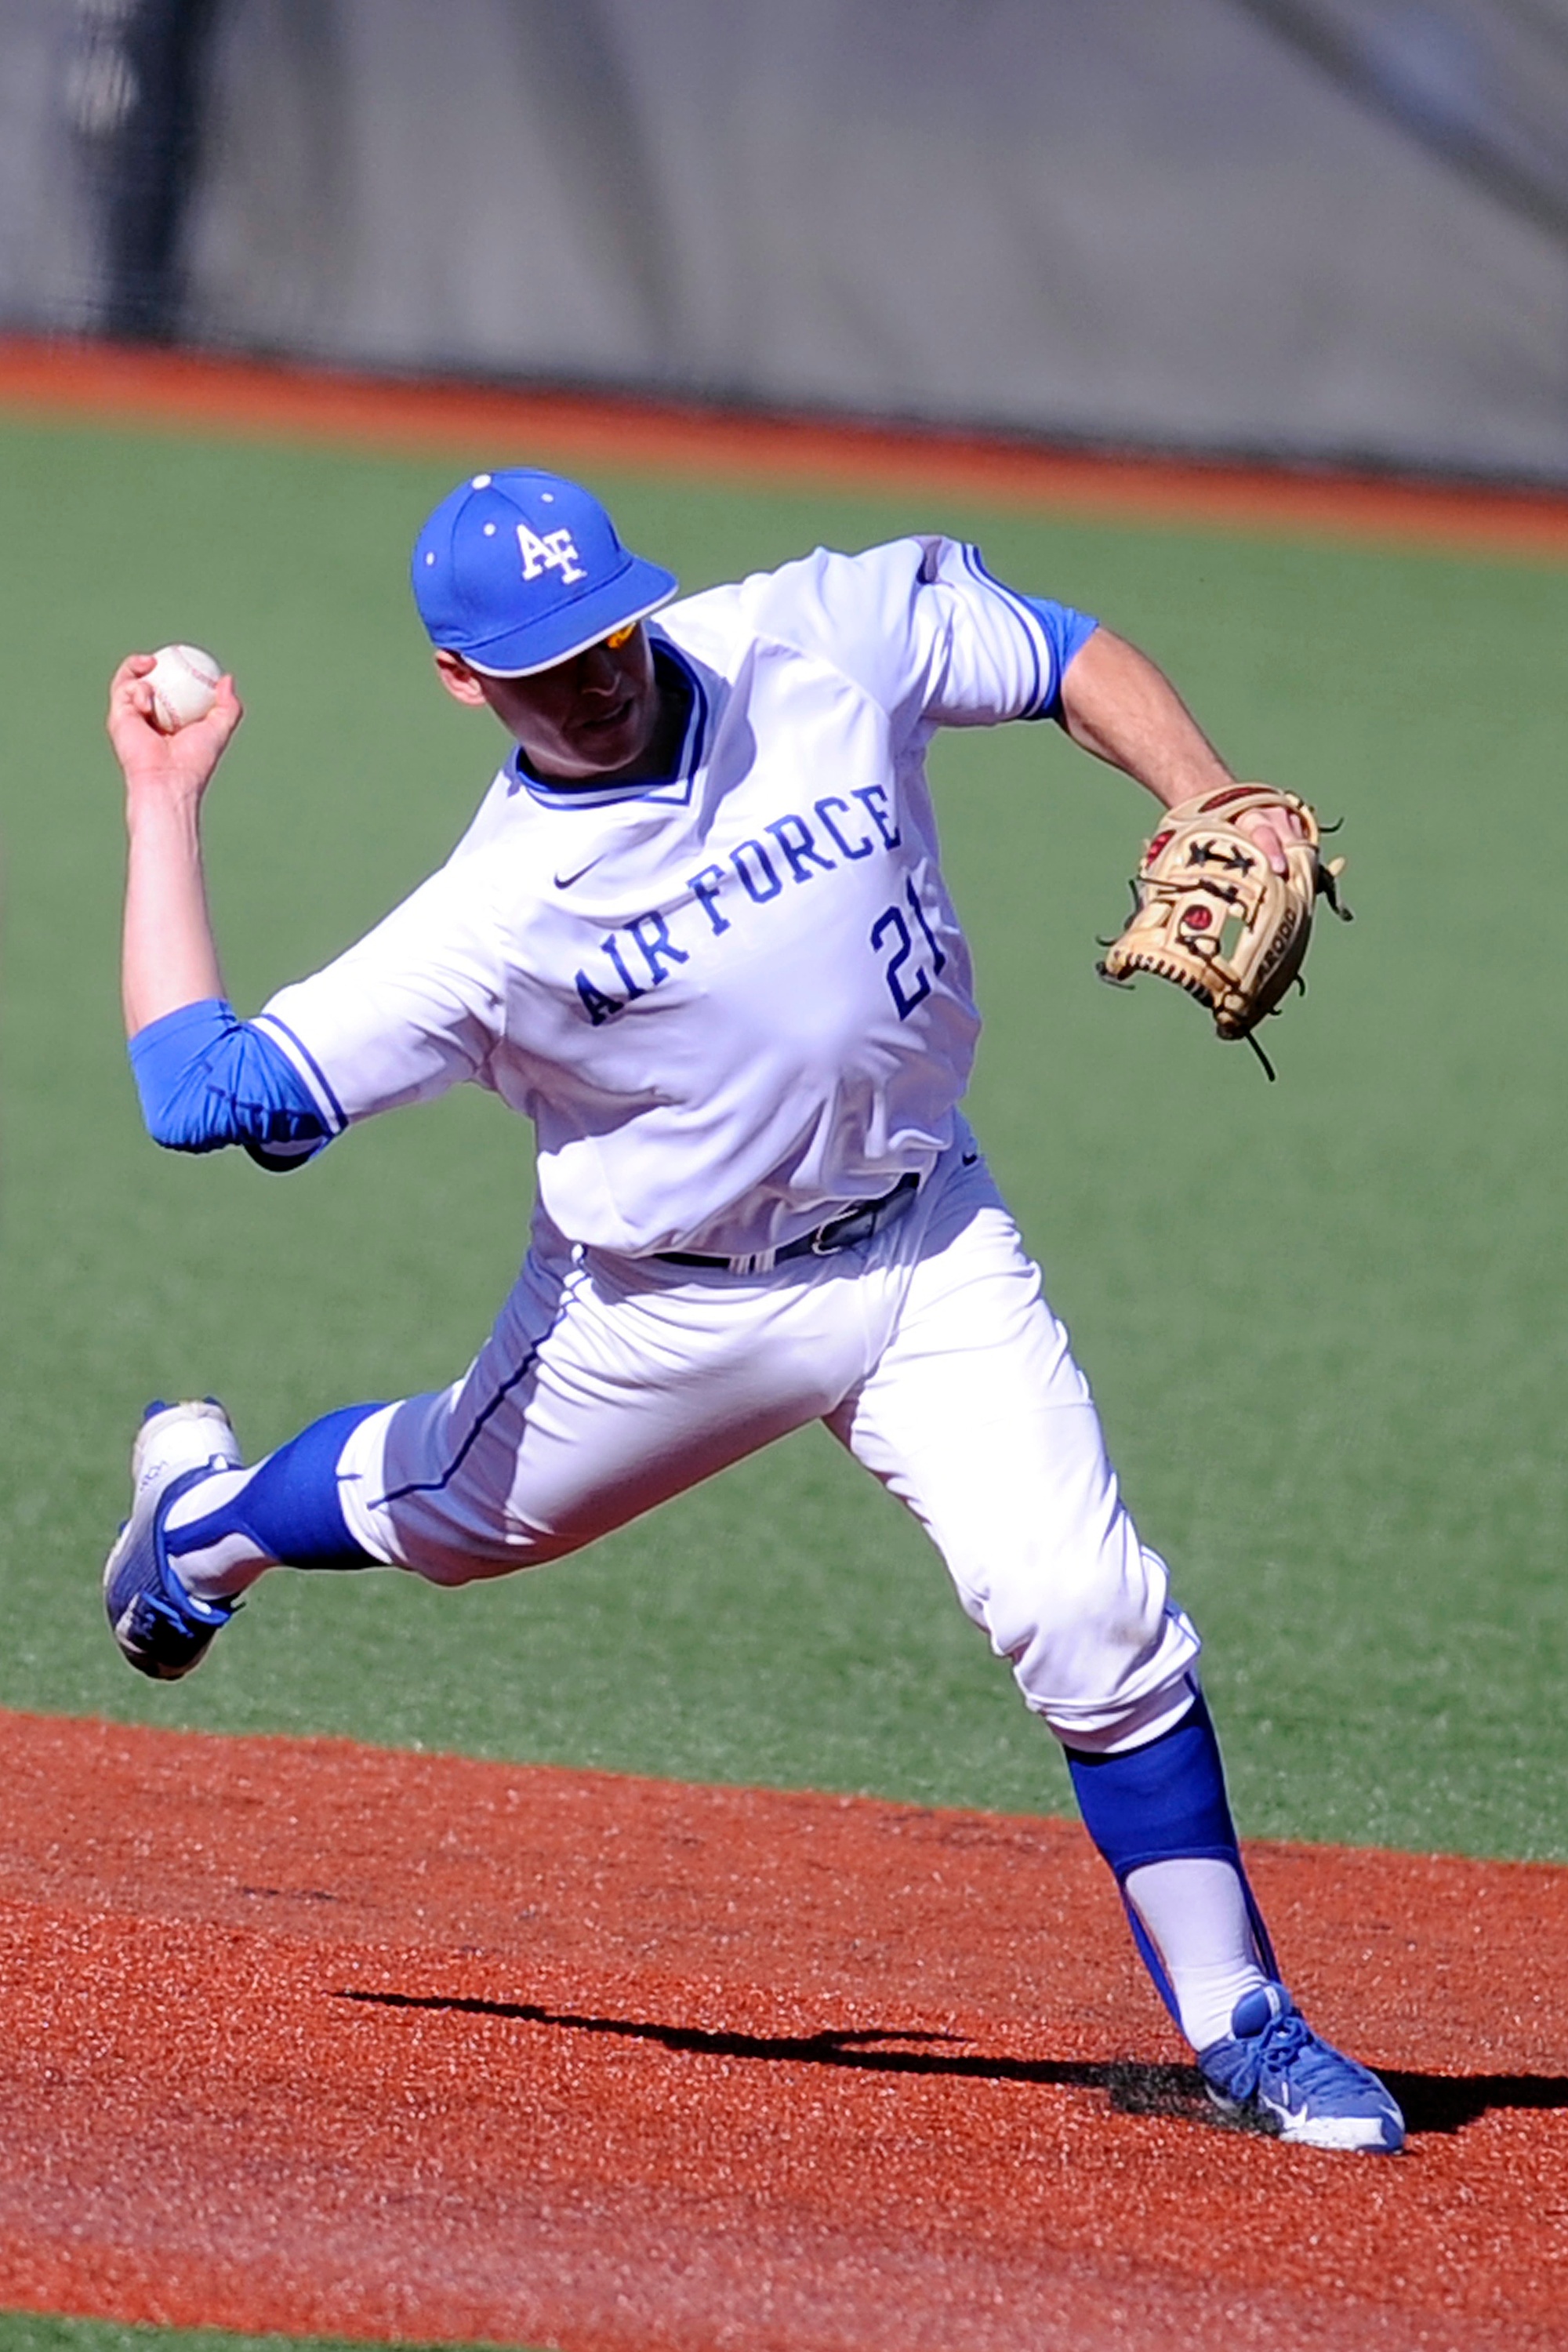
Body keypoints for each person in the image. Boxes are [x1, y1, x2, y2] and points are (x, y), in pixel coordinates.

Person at [103, 468, 1403, 2154]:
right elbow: (197, 1094)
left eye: (608, 627)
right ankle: (201, 1531)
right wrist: (162, 798)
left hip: (929, 1244)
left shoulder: (815, 632)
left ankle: (1243, 2019)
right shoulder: (488, 921)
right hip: (660, 1320)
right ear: (462, 684)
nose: (601, 673)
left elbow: (1061, 646)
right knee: (448, 1511)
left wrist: (1204, 786)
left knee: (1089, 1611)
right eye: (548, 663)